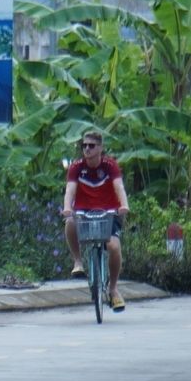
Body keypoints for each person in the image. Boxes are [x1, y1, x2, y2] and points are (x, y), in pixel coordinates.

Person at [62, 130, 131, 312]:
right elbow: (70, 190)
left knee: (114, 247)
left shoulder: (110, 166)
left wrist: (124, 205)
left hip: (108, 212)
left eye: (91, 146)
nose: (87, 149)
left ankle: (113, 290)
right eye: (84, 146)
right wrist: (67, 208)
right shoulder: (76, 167)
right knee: (70, 223)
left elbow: (119, 187)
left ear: (100, 148)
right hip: (84, 211)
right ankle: (78, 262)